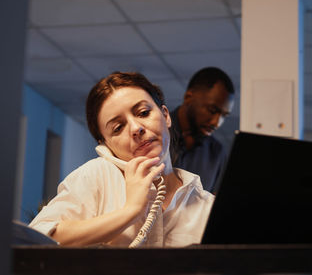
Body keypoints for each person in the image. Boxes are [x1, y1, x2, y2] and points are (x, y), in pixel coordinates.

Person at [29, 72, 214, 247]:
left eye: (143, 113)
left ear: (165, 116)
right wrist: (130, 211)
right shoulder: (97, 175)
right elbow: (36, 239)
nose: (136, 128)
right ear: (106, 144)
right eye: (118, 128)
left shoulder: (207, 205)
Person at [170, 67, 235, 193]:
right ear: (188, 97)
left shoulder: (217, 153)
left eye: (224, 116)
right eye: (212, 110)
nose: (217, 123)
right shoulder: (155, 135)